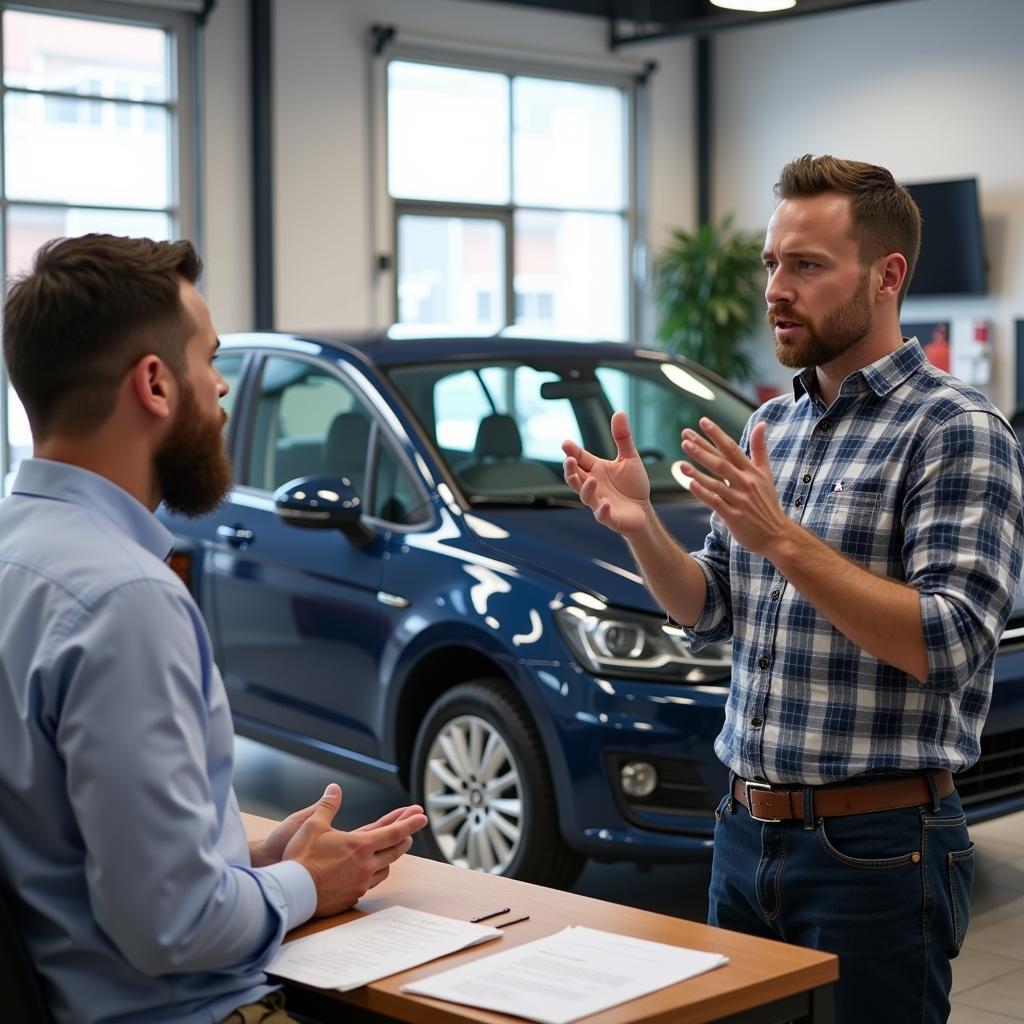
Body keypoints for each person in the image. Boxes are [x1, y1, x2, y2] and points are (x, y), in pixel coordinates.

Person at [562, 155, 1024, 1024]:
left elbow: (952, 645)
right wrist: (641, 532)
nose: (778, 286)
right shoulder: (774, 422)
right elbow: (711, 609)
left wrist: (781, 536)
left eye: (807, 266)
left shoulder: (957, 430)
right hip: (743, 830)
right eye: (772, 263)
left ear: (887, 277)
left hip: (878, 850)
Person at [0, 234, 428, 1024]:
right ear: (155, 384)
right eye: (210, 359)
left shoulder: (17, 553)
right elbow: (174, 924)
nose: (222, 387)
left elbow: (77, 848)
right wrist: (310, 883)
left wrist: (257, 857)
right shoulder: (125, 599)